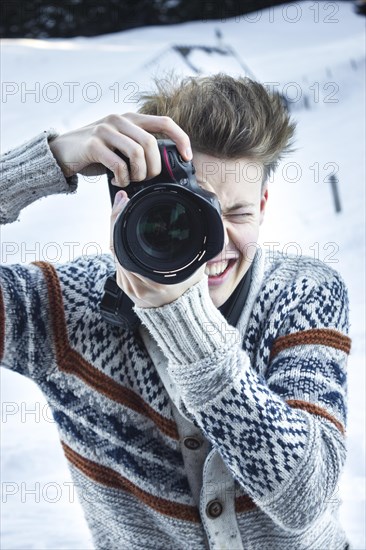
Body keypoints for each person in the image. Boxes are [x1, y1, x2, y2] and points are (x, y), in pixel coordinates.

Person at [0, 74, 351, 550]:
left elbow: (304, 497)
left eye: (238, 214)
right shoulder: (67, 308)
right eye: (191, 210)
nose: (215, 242)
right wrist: (48, 160)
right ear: (130, 204)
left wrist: (183, 321)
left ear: (264, 205)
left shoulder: (303, 293)